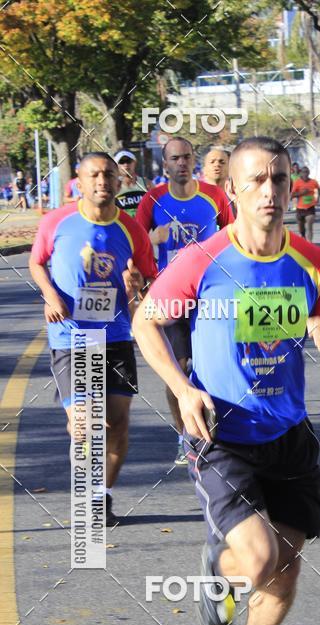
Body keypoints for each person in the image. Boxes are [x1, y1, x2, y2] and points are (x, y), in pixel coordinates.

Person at [133, 136, 320, 625]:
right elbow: (145, 321)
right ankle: (220, 560)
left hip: (289, 437)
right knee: (257, 559)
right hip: (221, 434)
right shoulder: (204, 259)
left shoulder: (315, 264)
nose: (270, 191)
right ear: (231, 190)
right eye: (255, 180)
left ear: (291, 187)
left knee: (284, 572)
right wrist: (182, 390)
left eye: (279, 179)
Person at [29, 152, 157, 526]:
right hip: (72, 337)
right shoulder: (57, 221)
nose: (102, 181)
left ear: (119, 182)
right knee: (84, 423)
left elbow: (148, 279)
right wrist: (51, 296)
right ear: (80, 184)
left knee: (117, 423)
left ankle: (103, 497)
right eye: (94, 175)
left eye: (108, 175)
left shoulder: (131, 230)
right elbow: (37, 261)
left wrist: (137, 286)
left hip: (116, 334)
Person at [135, 137, 233, 465]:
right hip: (170, 294)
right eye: (174, 158)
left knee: (214, 364)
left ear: (195, 160)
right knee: (180, 368)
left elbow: (236, 237)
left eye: (186, 157)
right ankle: (184, 435)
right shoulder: (153, 200)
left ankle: (224, 431)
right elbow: (136, 245)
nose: (181, 163)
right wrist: (151, 240)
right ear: (165, 164)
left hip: (211, 294)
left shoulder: (214, 196)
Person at [114, 149, 148, 218]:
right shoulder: (113, 187)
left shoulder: (147, 184)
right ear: (116, 165)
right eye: (122, 162)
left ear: (135, 163)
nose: (126, 165)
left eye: (128, 161)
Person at [291, 165, 320, 241]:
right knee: (301, 229)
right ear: (300, 173)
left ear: (309, 173)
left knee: (309, 226)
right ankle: (303, 237)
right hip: (300, 209)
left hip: (310, 208)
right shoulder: (297, 182)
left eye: (307, 172)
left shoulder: (313, 182)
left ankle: (310, 244)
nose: (305, 174)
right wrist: (302, 193)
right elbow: (292, 195)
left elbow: (319, 189)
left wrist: (317, 200)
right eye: (303, 172)